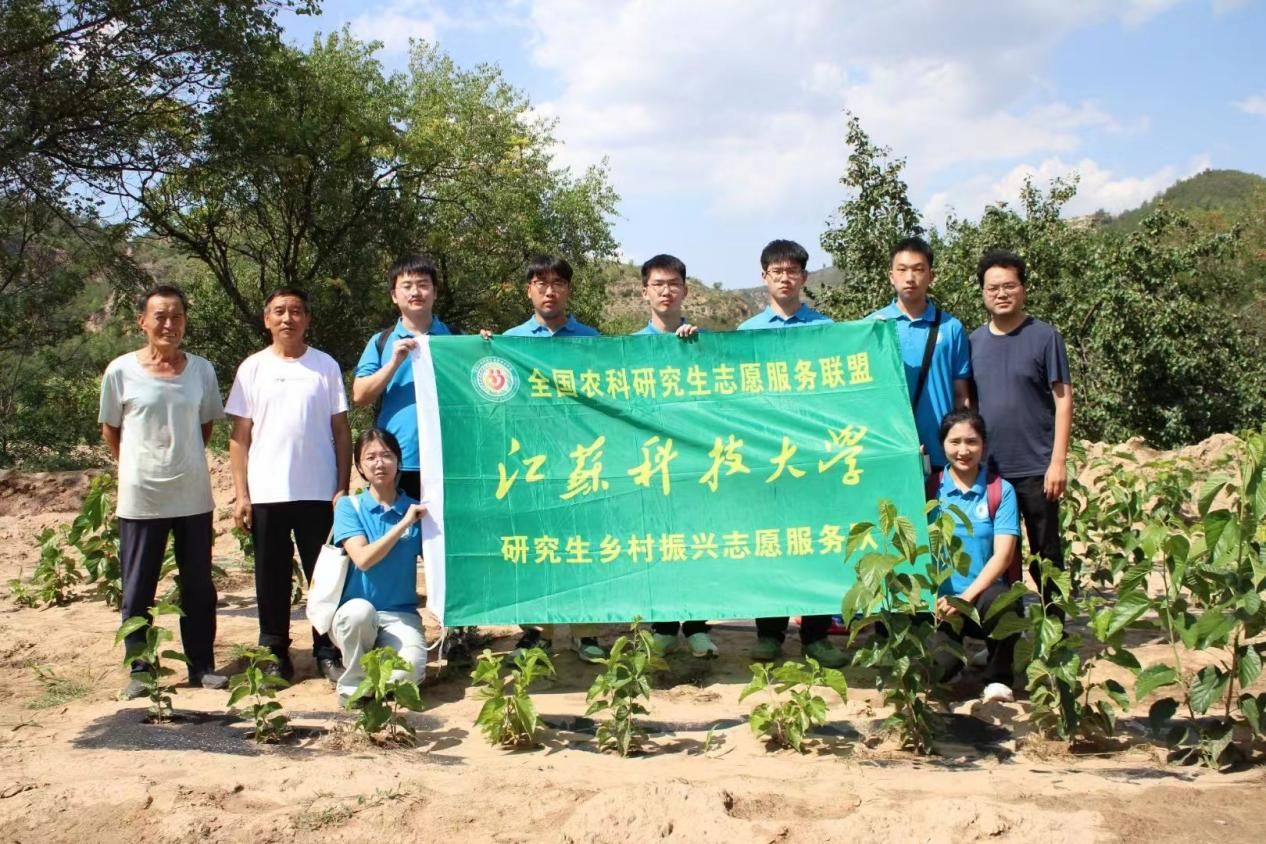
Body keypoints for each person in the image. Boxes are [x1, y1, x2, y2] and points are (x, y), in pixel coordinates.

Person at [99, 284, 227, 699]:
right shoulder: (121, 371)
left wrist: (182, 459)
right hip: (142, 497)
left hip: (193, 494)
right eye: (160, 316)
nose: (169, 324)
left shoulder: (201, 371)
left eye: (177, 316)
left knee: (198, 585)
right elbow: (110, 429)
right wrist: (136, 467)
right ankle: (141, 668)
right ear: (142, 322)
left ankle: (201, 666)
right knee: (138, 586)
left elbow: (204, 426)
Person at [226, 288, 352, 683]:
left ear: (307, 319)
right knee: (271, 576)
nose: (287, 318)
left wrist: (342, 487)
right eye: (279, 311)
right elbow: (239, 437)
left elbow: (341, 431)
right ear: (267, 320)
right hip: (267, 493)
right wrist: (242, 494)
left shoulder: (325, 366)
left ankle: (326, 649)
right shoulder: (252, 368)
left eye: (296, 311)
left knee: (324, 576)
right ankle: (274, 651)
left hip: (319, 493)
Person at [736, 239, 846, 669]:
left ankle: (816, 636)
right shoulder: (747, 333)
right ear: (764, 277)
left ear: (805, 277)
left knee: (817, 542)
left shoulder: (825, 330)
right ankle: (769, 634)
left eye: (793, 271)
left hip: (814, 456)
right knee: (772, 544)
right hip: (766, 457)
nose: (785, 278)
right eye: (777, 272)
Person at [503, 255, 607, 663]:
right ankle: (538, 633)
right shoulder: (510, 341)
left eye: (558, 283)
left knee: (583, 545)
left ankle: (586, 632)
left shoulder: (590, 340)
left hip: (581, 460)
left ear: (569, 290)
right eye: (540, 283)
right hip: (532, 463)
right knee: (539, 547)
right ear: (528, 290)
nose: (550, 291)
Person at [969, 249, 1073, 609]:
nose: (1001, 293)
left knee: (1046, 555)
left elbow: (1063, 401)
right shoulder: (974, 342)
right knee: (997, 556)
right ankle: (1004, 632)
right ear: (983, 293)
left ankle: (1053, 629)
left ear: (1023, 289)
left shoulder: (1045, 337)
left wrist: (1057, 461)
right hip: (991, 471)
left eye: (1009, 286)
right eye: (993, 288)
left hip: (1036, 468)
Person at [632, 254, 718, 659]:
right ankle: (664, 626)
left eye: (673, 284)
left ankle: (698, 626)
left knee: (697, 542)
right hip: (651, 463)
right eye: (657, 284)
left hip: (695, 463)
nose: (665, 291)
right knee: (658, 543)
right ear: (644, 291)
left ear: (685, 290)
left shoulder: (700, 341)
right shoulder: (630, 347)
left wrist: (699, 350)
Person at [329, 428, 428, 706]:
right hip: (354, 616)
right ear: (359, 466)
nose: (379, 463)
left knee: (405, 677)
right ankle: (353, 688)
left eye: (386, 455)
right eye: (370, 457)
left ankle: (380, 667)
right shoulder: (349, 507)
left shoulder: (417, 509)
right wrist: (404, 523)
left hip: (400, 616)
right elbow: (362, 558)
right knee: (360, 613)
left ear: (398, 461)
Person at [930, 409, 1022, 702]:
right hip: (939, 606)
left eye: (971, 441)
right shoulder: (929, 489)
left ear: (984, 445)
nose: (963, 450)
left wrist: (964, 599)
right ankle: (955, 662)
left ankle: (998, 676)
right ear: (942, 444)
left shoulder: (1000, 490)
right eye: (954, 441)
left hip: (981, 599)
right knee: (937, 671)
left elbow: (1003, 556)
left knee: (1003, 602)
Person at [351, 254, 452, 501]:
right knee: (399, 525)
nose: (415, 292)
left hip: (448, 457)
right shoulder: (381, 341)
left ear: (435, 292)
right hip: (397, 459)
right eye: (407, 286)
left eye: (423, 284)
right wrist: (394, 363)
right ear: (394, 295)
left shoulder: (456, 339)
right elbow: (360, 395)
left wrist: (485, 345)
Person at [868, 236, 972, 472]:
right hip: (890, 451)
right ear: (891, 276)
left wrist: (963, 444)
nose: (910, 277)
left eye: (918, 269)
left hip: (942, 454)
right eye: (902, 269)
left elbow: (961, 395)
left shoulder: (951, 327)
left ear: (931, 276)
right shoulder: (872, 327)